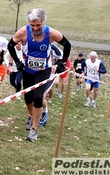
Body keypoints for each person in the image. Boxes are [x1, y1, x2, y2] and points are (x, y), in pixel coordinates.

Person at [7, 8, 71, 142]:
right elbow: (10, 45)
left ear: (43, 22)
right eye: (32, 25)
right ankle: (31, 115)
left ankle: (34, 130)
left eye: (38, 25)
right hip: (28, 70)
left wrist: (62, 62)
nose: (35, 28)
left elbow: (67, 45)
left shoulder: (51, 33)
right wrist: (18, 62)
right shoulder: (23, 32)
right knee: (28, 97)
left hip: (44, 70)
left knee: (37, 96)